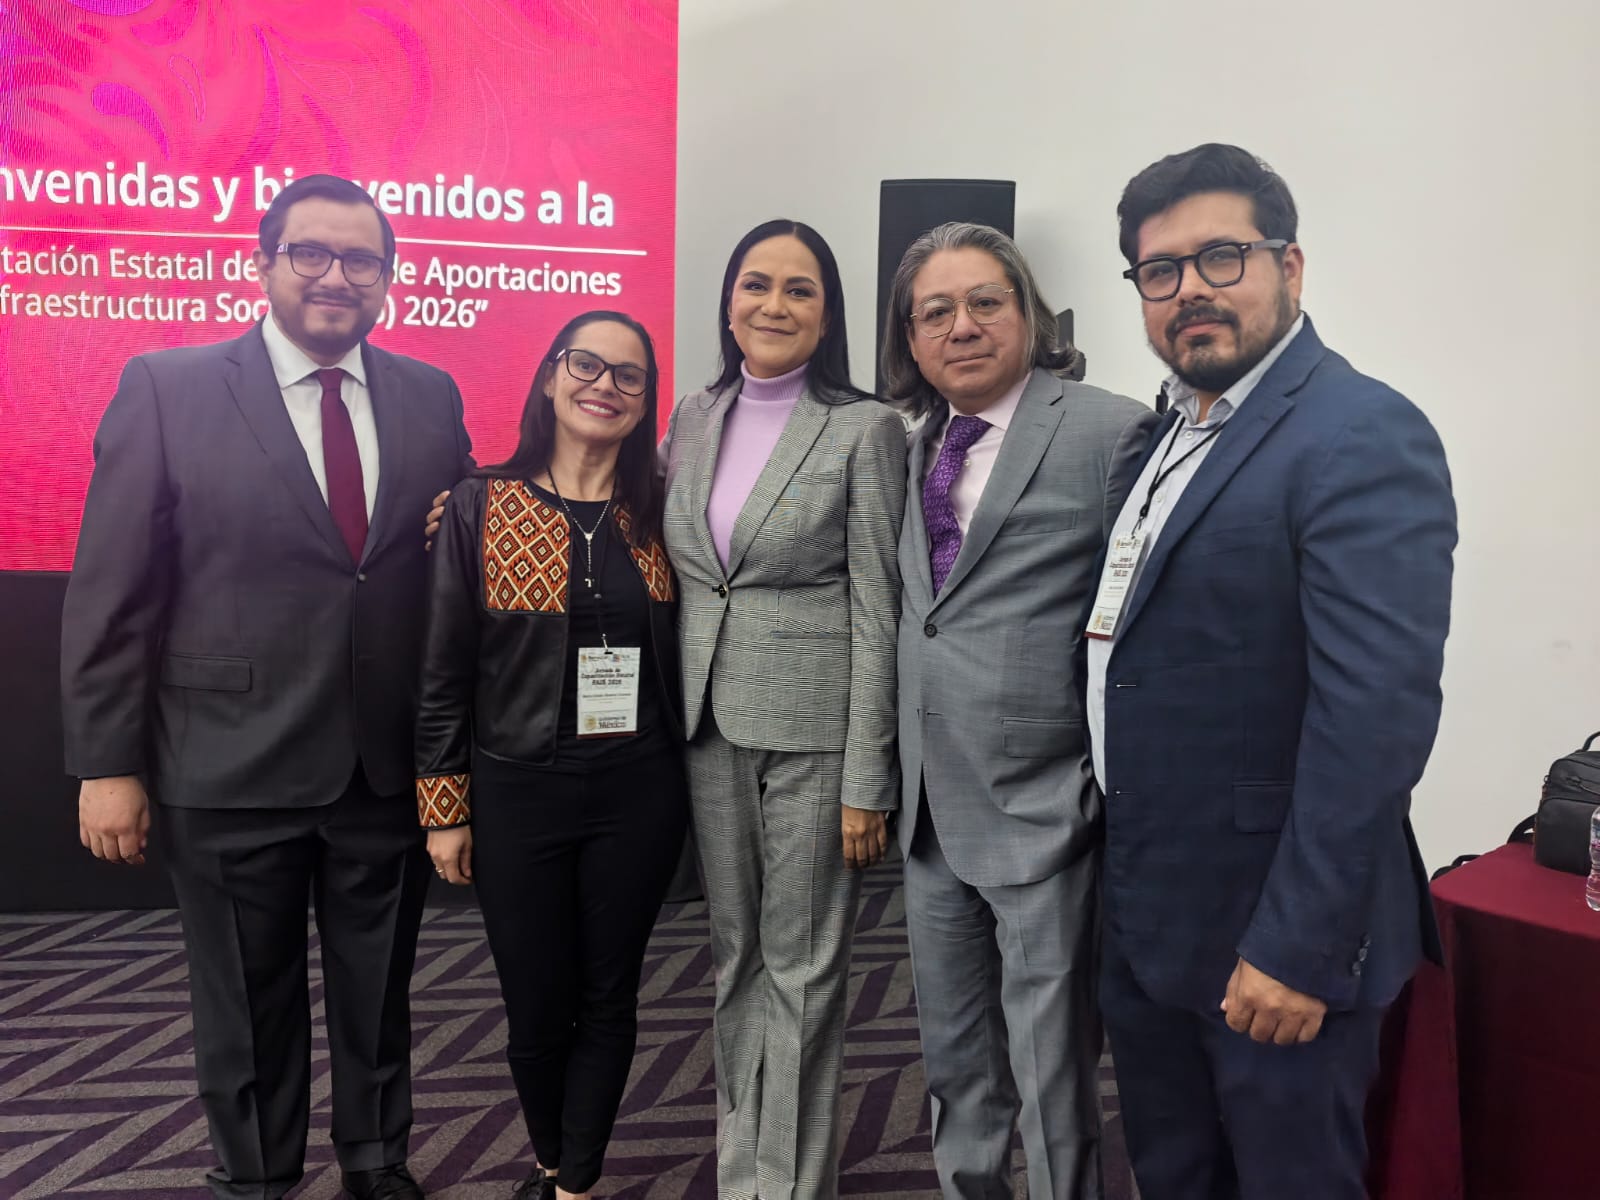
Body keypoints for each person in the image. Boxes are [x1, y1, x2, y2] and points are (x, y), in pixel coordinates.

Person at [60, 173, 474, 1200]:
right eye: (311, 253)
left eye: (362, 259)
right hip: (224, 762)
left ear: (388, 278)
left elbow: (451, 555)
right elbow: (113, 589)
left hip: (381, 765)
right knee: (246, 1003)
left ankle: (377, 1162)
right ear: (262, 264)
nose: (337, 277)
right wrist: (107, 764)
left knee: (379, 993)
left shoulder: (430, 394)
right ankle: (255, 1178)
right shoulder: (167, 387)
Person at [1087, 143, 1455, 1199]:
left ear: (1288, 267)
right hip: (1151, 912)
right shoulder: (1161, 438)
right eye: (1161, 270)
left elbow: (1372, 719)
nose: (1189, 290)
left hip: (1274, 935)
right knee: (1173, 1174)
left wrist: (1299, 945)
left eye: (1222, 257)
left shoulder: (1359, 432)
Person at [881, 221, 1159, 1200]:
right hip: (929, 810)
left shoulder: (1109, 429)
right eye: (935, 312)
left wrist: (1105, 782)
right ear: (912, 339)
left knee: (1052, 1073)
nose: (961, 326)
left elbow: (1146, 627)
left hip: (1044, 805)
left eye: (984, 302)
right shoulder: (908, 444)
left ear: (1029, 314)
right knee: (954, 1060)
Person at [659, 218, 906, 1200]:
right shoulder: (693, 415)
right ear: (728, 301)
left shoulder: (863, 427)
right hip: (707, 725)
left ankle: (794, 1185)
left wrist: (868, 777)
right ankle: (742, 1174)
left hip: (816, 735)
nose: (773, 304)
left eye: (799, 290)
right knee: (735, 960)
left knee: (801, 970)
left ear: (827, 314)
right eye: (755, 284)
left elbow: (880, 605)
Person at [415, 310, 686, 1200]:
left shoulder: (665, 511)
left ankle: (574, 1185)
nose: (605, 385)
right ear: (548, 376)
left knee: (609, 994)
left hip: (639, 790)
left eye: (628, 376)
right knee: (535, 1005)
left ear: (646, 400)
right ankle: (550, 1156)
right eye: (586, 365)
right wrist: (444, 808)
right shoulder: (478, 504)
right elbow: (443, 669)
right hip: (517, 788)